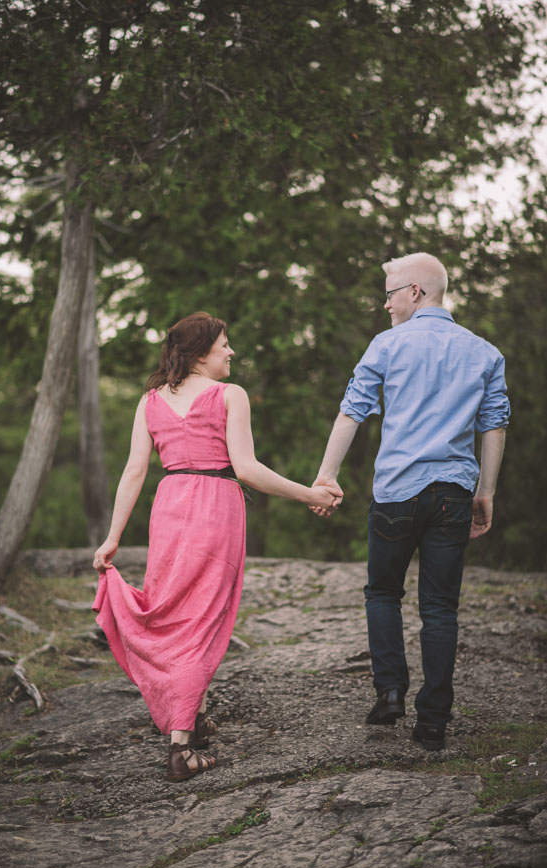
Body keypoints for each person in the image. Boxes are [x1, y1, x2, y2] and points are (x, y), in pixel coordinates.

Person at [92, 311, 341, 782]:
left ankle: (196, 719)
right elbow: (245, 468)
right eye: (224, 345)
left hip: (169, 506)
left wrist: (113, 538)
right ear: (201, 353)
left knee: (178, 612)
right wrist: (309, 494)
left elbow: (134, 472)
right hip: (215, 506)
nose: (231, 353)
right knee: (201, 619)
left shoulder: (150, 401)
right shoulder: (230, 395)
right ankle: (181, 746)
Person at [312, 252, 509, 750]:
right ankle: (434, 721)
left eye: (391, 293)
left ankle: (391, 693)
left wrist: (325, 477)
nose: (386, 305)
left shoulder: (387, 345)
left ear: (416, 292)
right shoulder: (484, 352)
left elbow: (350, 414)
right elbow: (495, 425)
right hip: (453, 495)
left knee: (382, 593)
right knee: (440, 608)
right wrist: (484, 492)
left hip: (397, 492)